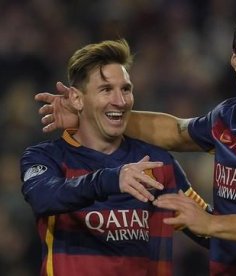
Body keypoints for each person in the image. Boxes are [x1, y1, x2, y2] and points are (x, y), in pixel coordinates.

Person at [35, 7, 236, 275]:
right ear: (235, 59)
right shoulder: (227, 116)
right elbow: (174, 132)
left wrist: (209, 224)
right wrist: (92, 115)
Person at [20, 39, 210, 276]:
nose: (120, 101)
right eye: (106, 89)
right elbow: (44, 198)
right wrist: (112, 179)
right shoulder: (46, 157)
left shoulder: (156, 163)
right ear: (77, 99)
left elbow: (209, 231)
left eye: (126, 89)